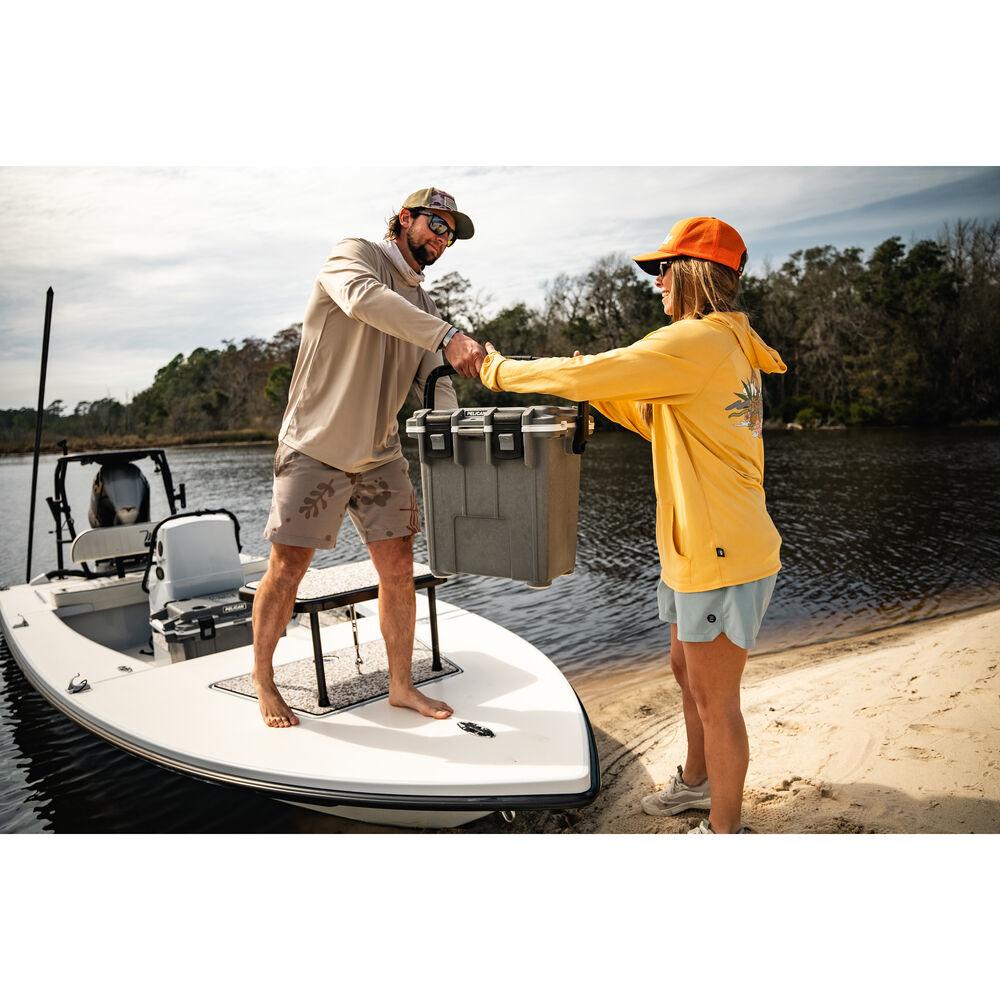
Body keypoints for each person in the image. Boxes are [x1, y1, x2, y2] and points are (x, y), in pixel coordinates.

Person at [479, 217, 786, 833]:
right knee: (685, 670)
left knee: (716, 702)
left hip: (720, 551)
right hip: (697, 547)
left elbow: (591, 373)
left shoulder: (696, 342)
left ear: (694, 273)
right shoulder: (720, 346)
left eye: (664, 269)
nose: (657, 282)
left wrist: (496, 370)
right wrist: (593, 391)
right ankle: (697, 783)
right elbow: (652, 416)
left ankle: (724, 829)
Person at [253, 187, 487, 728]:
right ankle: (264, 680)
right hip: (315, 446)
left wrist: (454, 432)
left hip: (381, 455)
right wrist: (449, 335)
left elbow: (435, 380)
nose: (442, 239)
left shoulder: (425, 306)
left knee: (400, 567)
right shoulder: (354, 256)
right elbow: (363, 300)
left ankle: (400, 685)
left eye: (451, 234)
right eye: (436, 224)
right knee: (288, 568)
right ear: (405, 219)